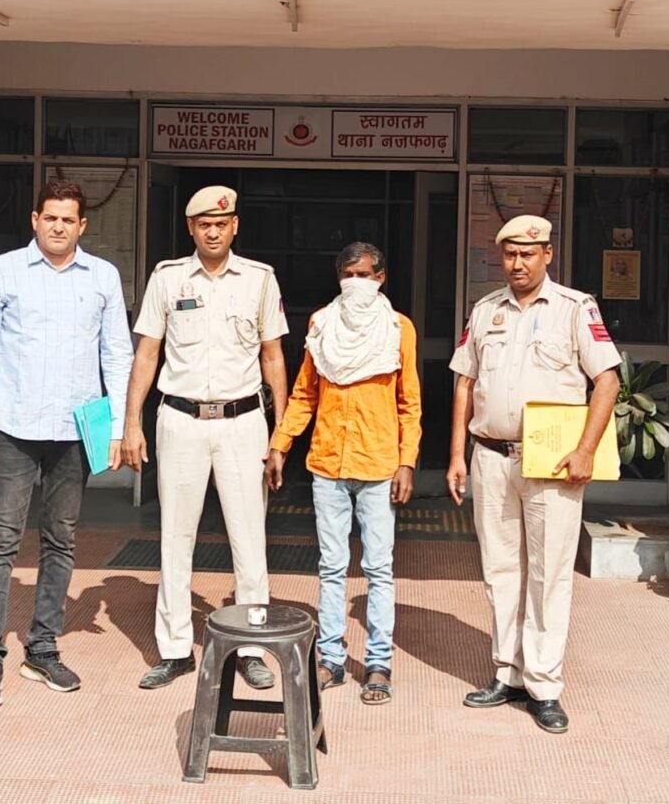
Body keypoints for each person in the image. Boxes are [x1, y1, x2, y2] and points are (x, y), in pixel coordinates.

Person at [0, 178, 133, 709]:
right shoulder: (3, 270)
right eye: (50, 217)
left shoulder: (102, 276)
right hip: (10, 426)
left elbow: (117, 354)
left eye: (68, 219)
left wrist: (118, 428)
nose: (58, 226)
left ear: (82, 225)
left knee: (61, 539)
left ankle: (42, 647)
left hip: (75, 429)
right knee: (0, 542)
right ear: (35, 220)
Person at [446, 214, 620, 735]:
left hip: (553, 463)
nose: (518, 263)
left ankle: (543, 684)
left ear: (547, 254)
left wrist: (586, 450)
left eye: (528, 253)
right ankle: (508, 673)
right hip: (491, 456)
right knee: (500, 570)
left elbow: (607, 380)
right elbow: (464, 383)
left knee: (548, 574)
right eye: (509, 254)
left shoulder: (574, 308)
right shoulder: (485, 310)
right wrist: (456, 455)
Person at [122, 185, 288, 691]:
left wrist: (281, 435)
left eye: (221, 223)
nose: (212, 232)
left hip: (243, 421)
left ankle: (250, 647)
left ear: (235, 226)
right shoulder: (168, 278)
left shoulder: (259, 279)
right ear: (190, 228)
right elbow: (147, 353)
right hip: (181, 419)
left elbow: (273, 357)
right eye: (203, 224)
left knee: (249, 539)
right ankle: (174, 649)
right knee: (176, 537)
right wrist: (132, 424)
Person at [265, 242, 421, 706]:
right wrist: (279, 445)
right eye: (348, 275)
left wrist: (407, 460)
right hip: (328, 463)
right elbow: (304, 394)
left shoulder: (398, 329)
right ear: (338, 278)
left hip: (378, 464)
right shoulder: (321, 324)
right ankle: (331, 658)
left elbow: (409, 402)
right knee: (331, 566)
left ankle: (378, 664)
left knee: (379, 568)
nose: (356, 282)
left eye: (365, 274)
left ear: (381, 278)